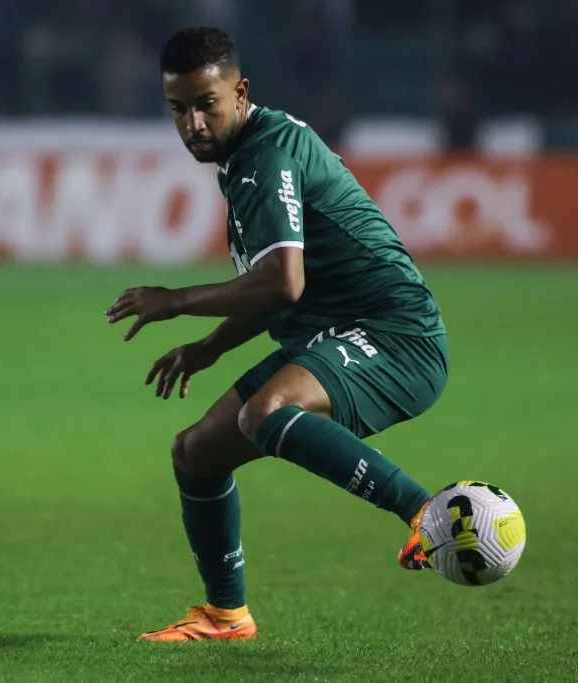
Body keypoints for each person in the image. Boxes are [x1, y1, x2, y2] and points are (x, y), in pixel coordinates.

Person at [106, 27, 448, 642]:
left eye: (205, 104)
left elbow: (283, 284)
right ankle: (226, 616)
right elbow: (280, 283)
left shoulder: (267, 153)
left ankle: (426, 511)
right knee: (196, 453)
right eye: (177, 109)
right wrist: (209, 348)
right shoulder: (244, 156)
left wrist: (175, 302)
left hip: (397, 338)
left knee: (266, 412)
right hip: (335, 332)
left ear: (239, 92)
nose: (193, 124)